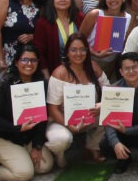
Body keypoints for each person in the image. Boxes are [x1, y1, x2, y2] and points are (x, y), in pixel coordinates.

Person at [0, 44, 67, 181]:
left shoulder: (42, 84)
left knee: (45, 167)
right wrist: (17, 128)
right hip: (1, 137)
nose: (29, 64)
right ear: (16, 62)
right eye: (24, 60)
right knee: (24, 174)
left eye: (33, 60)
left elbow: (42, 119)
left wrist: (37, 146)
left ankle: (16, 158)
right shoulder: (4, 84)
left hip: (27, 138)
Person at [44, 35, 108, 166]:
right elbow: (52, 108)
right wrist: (69, 125)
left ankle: (93, 146)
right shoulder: (59, 73)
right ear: (67, 52)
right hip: (62, 120)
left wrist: (101, 105)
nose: (78, 54)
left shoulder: (94, 68)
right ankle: (59, 155)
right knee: (61, 139)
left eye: (82, 49)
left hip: (89, 117)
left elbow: (110, 93)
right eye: (73, 50)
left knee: (110, 112)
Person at [34, 0, 84, 77]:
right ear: (52, 0)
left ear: (71, 0)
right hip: (55, 72)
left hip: (80, 71)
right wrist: (47, 77)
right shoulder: (43, 23)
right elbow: (40, 53)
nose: (62, 0)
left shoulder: (80, 18)